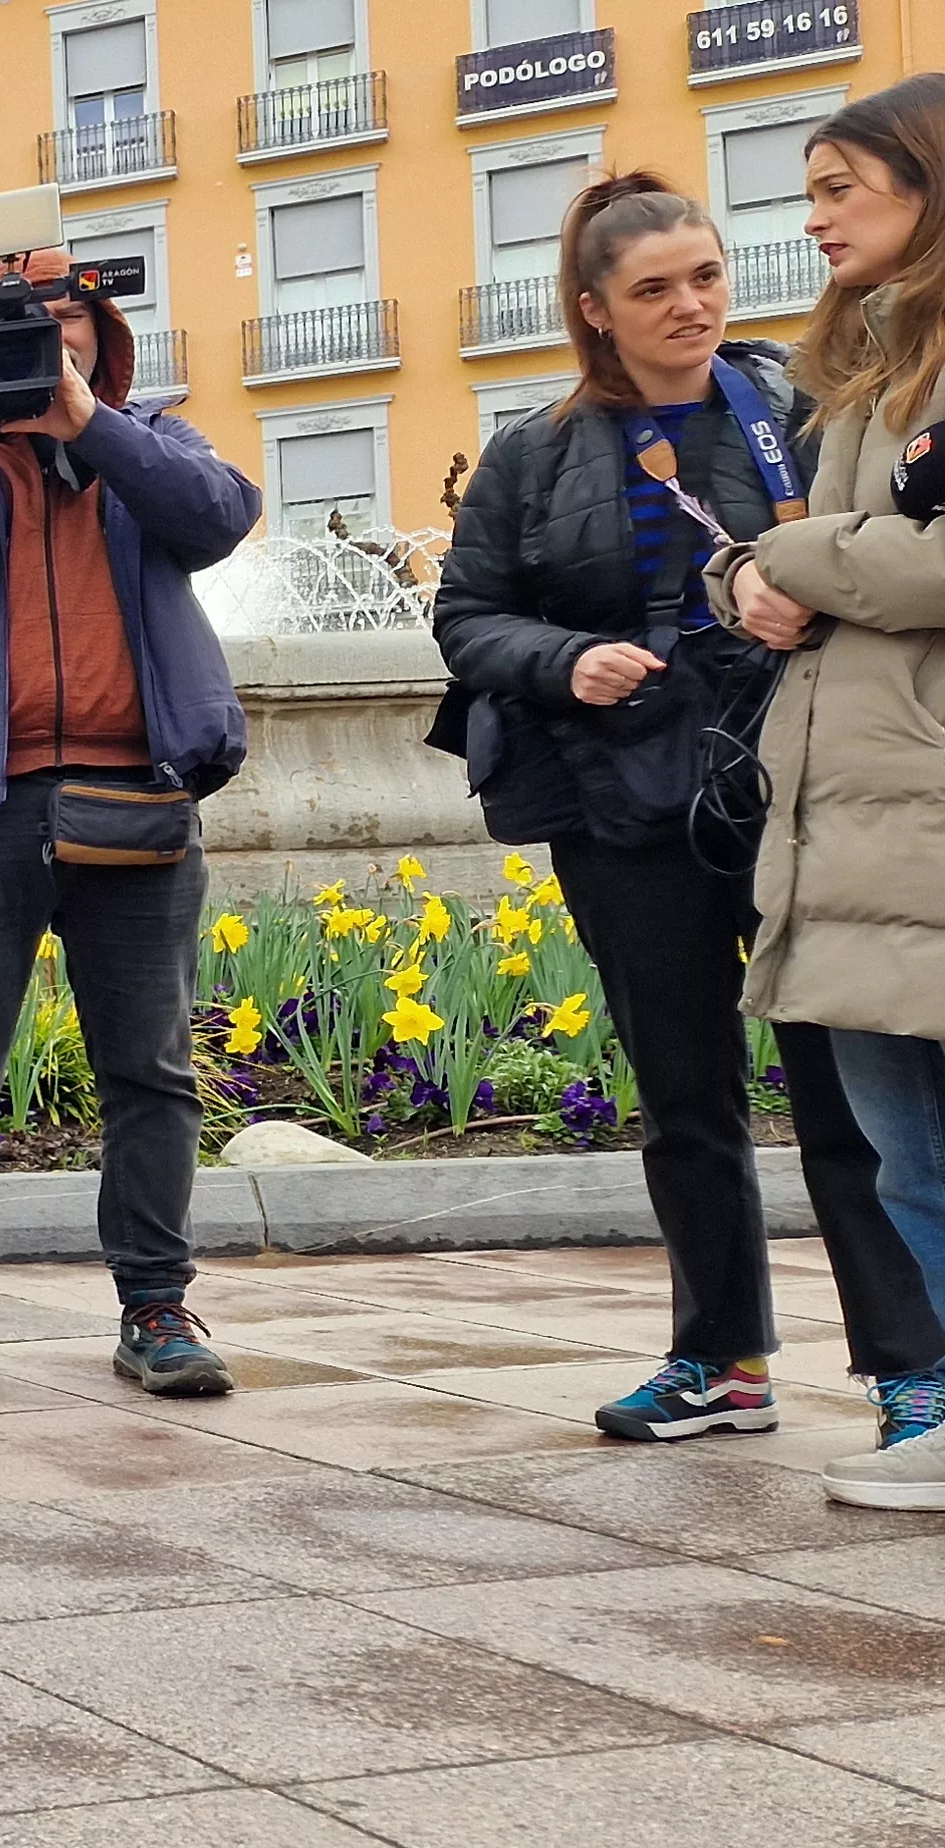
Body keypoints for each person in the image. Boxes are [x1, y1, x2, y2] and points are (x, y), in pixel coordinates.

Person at [436, 174, 943, 1457]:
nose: (691, 307)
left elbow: (875, 552)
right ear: (595, 311)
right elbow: (467, 615)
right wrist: (565, 662)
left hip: (794, 789)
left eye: (705, 277)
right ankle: (719, 1358)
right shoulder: (530, 450)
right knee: (684, 1095)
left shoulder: (805, 403)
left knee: (849, 1103)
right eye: (653, 289)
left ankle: (912, 1374)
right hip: (618, 799)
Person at [0, 252, 262, 1398]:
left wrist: (88, 424)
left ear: (103, 338)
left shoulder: (151, 441)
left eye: (63, 323)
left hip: (134, 793)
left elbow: (216, 518)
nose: (42, 344)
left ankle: (156, 1306)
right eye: (18, 328)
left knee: (148, 1069)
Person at [714, 71, 945, 1511]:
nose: (812, 220)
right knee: (901, 1149)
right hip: (859, 823)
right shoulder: (870, 362)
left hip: (917, 816)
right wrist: (763, 568)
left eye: (839, 190)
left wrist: (782, 562)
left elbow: (919, 559)